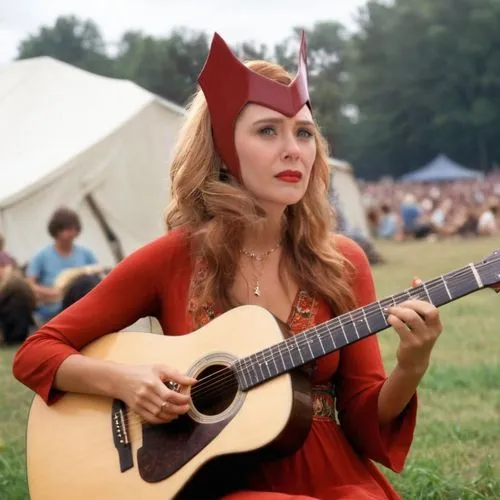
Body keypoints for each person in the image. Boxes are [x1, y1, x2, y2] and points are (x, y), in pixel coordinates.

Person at [12, 32, 443, 499]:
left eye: (303, 132)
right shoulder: (174, 257)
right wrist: (127, 381)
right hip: (208, 481)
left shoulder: (343, 261)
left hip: (331, 477)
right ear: (221, 148)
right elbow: (37, 351)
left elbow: (364, 419)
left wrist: (411, 364)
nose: (292, 149)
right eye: (267, 131)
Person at [25, 207, 99, 323]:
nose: (69, 233)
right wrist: (50, 293)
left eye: (72, 229)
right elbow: (29, 284)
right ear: (55, 231)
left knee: (88, 282)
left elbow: (97, 274)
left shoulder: (86, 253)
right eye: (64, 229)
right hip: (54, 307)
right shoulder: (41, 255)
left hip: (82, 303)